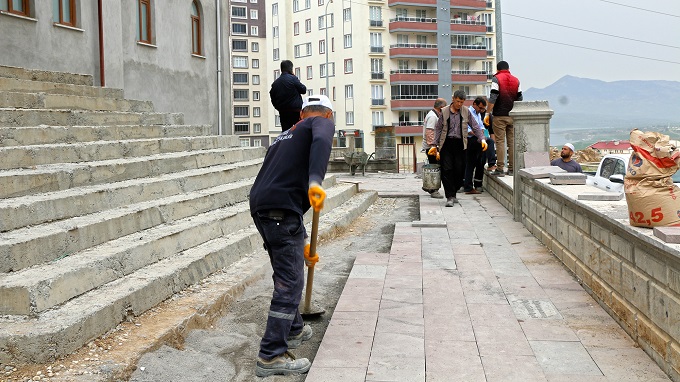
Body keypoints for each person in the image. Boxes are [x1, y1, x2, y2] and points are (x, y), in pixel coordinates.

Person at [249, 95, 335, 377]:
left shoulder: (285, 135)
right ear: (328, 115)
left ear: (300, 114)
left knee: (287, 272)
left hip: (263, 207)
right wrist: (315, 181)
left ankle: (295, 329)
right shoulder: (319, 124)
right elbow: (323, 141)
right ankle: (270, 355)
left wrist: (303, 245)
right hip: (280, 211)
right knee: (289, 283)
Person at [432, 90, 487, 207]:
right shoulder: (444, 111)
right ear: (453, 99)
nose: (459, 104)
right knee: (447, 170)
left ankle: (454, 190)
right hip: (446, 144)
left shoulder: (466, 111)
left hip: (461, 144)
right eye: (458, 102)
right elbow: (438, 129)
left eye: (462, 102)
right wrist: (434, 145)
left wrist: (482, 138)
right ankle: (450, 196)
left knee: (459, 170)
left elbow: (475, 126)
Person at [486, 60, 522, 177]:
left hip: (499, 115)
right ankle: (511, 169)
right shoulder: (516, 80)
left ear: (497, 69)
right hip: (512, 115)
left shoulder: (497, 79)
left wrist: (488, 112)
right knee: (511, 142)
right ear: (508, 68)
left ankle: (500, 168)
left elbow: (493, 96)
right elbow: (520, 98)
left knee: (500, 141)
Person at [270, 60, 307, 132]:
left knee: (286, 133)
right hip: (296, 111)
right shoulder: (293, 78)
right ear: (291, 69)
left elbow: (272, 97)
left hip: (283, 112)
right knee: (300, 132)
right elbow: (303, 90)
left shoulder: (275, 83)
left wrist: (278, 108)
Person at [421, 98, 448, 199]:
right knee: (435, 168)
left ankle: (430, 187)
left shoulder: (433, 115)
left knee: (435, 167)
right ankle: (433, 189)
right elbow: (430, 133)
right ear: (441, 107)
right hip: (431, 147)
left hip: (432, 146)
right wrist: (434, 147)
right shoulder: (433, 117)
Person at [463, 97, 488, 194]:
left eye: (483, 109)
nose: (481, 110)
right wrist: (477, 133)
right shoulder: (468, 112)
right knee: (470, 164)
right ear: (474, 104)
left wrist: (481, 134)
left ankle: (478, 184)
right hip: (470, 140)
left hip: (478, 140)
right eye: (480, 108)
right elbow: (467, 129)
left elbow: (480, 127)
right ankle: (468, 186)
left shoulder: (478, 114)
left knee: (480, 162)